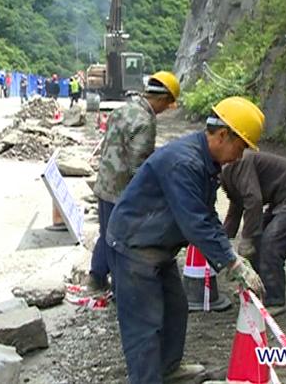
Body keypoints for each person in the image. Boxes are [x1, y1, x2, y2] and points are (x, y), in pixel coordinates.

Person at [106, 96, 265, 384]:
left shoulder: (203, 161)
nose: (240, 157)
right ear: (221, 135)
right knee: (145, 325)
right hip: (134, 246)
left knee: (175, 310)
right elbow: (195, 222)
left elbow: (206, 214)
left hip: (157, 246)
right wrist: (230, 263)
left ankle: (167, 370)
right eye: (240, 148)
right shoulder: (184, 163)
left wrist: (231, 256)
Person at [85, 71, 181, 295]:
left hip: (105, 184)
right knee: (120, 241)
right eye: (167, 105)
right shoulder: (144, 121)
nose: (166, 109)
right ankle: (120, 291)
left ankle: (96, 277)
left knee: (106, 234)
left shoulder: (123, 109)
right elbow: (139, 167)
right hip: (122, 191)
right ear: (162, 99)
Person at [220, 150, 286, 316]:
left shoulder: (237, 161)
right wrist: (224, 237)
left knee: (270, 244)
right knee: (258, 239)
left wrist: (247, 239)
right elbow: (237, 203)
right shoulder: (226, 169)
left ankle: (275, 299)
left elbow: (253, 200)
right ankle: (256, 285)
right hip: (283, 195)